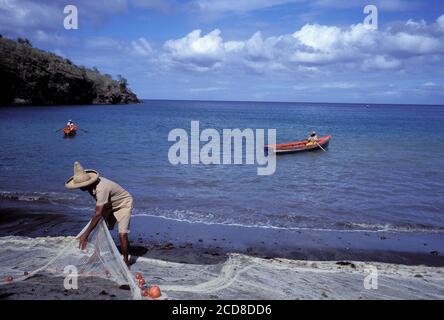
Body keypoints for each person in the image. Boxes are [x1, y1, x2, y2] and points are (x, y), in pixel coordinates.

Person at [65, 161, 133, 266]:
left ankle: (126, 261)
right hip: (108, 204)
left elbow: (97, 214)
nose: (80, 187)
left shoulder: (101, 188)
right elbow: (99, 209)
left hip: (124, 204)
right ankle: (96, 255)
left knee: (122, 234)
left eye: (81, 185)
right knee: (99, 229)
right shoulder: (89, 187)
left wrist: (85, 234)